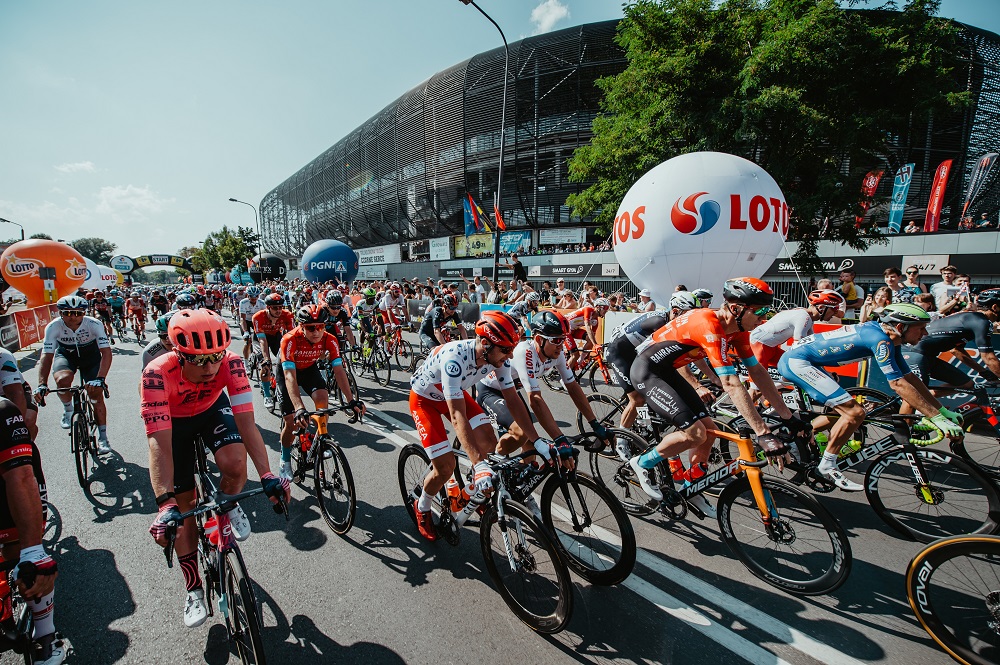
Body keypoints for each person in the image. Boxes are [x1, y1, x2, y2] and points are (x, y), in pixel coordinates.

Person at [142, 309, 291, 627]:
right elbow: (159, 446)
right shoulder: (156, 374)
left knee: (236, 465)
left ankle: (228, 506)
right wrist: (164, 504)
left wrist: (267, 475)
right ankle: (194, 588)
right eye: (198, 359)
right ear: (177, 353)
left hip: (211, 410)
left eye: (215, 356)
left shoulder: (232, 363)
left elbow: (247, 425)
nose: (210, 367)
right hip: (174, 424)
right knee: (184, 508)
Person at [627, 278, 797, 516]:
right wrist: (763, 433)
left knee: (708, 433)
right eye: (760, 311)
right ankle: (643, 463)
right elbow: (730, 383)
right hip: (647, 372)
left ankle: (691, 487)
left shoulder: (737, 331)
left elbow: (757, 371)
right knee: (695, 433)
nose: (764, 318)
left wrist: (788, 417)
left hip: (669, 371)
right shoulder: (709, 323)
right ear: (736, 309)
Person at [779, 303, 963, 490]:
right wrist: (936, 418)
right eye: (921, 328)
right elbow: (898, 385)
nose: (925, 334)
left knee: (850, 411)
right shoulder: (880, 339)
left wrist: (941, 411)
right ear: (900, 327)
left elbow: (909, 378)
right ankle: (826, 465)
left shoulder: (890, 339)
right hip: (798, 363)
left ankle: (800, 437)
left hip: (807, 360)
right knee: (855, 413)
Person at [408, 311, 524, 541]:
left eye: (512, 348)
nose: (510, 355)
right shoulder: (455, 358)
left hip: (454, 394)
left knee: (490, 444)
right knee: (445, 467)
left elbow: (513, 400)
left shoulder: (497, 357)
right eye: (505, 349)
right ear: (485, 344)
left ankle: (470, 494)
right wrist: (478, 464)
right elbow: (456, 413)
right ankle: (422, 506)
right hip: (425, 400)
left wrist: (536, 439)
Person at [0, 396, 63, 664]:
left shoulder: (2, 410)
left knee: (26, 558)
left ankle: (45, 633)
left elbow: (21, 477)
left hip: (8, 486)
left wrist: (32, 550)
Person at [274, 306, 364, 481]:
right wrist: (299, 407)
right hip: (287, 372)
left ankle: (321, 438)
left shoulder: (329, 339)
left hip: (308, 369)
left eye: (320, 327)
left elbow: (339, 371)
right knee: (292, 421)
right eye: (311, 328)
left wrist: (351, 400)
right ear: (301, 326)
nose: (316, 332)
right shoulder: (290, 339)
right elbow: (290, 377)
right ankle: (284, 459)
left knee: (323, 400)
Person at [34, 296, 113, 453]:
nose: (73, 317)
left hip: (91, 358)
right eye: (68, 313)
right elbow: (47, 356)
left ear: (84, 313)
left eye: (78, 313)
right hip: (66, 356)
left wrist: (100, 379)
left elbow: (106, 352)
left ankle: (103, 437)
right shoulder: (53, 327)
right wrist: (42, 383)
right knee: (62, 380)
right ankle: (68, 409)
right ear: (61, 313)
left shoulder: (94, 324)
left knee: (96, 396)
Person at [900, 296, 1000, 404]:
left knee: (965, 384)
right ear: (995, 307)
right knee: (916, 396)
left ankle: (926, 404)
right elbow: (989, 358)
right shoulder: (982, 322)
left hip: (927, 356)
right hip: (914, 353)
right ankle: (909, 414)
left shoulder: (973, 319)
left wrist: (983, 371)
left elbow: (956, 350)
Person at [749, 289, 846, 369]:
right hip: (759, 345)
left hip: (770, 347)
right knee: (756, 391)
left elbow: (812, 345)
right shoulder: (803, 317)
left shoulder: (808, 318)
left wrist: (823, 370)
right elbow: (799, 346)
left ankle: (778, 388)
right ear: (821, 307)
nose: (835, 313)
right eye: (834, 309)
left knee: (790, 368)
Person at [252, 293, 295, 410]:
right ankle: (267, 395)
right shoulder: (258, 316)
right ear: (268, 307)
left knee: (285, 359)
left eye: (281, 307)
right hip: (260, 339)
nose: (279, 310)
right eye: (275, 308)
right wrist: (266, 358)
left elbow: (292, 335)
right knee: (265, 366)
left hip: (276, 336)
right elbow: (262, 340)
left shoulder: (287, 315)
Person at [563, 298, 610, 372]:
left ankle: (580, 361)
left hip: (573, 330)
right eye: (605, 308)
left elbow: (592, 337)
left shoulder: (595, 321)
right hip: (565, 329)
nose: (606, 310)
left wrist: (587, 355)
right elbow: (587, 326)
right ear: (598, 307)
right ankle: (565, 378)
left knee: (590, 339)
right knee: (575, 354)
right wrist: (595, 345)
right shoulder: (588, 310)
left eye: (608, 308)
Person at [237, 287, 265, 365]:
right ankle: (246, 363)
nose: (253, 298)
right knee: (247, 342)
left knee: (260, 340)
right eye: (251, 296)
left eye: (256, 296)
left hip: (256, 321)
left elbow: (264, 318)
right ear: (247, 295)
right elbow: (242, 318)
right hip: (246, 321)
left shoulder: (262, 303)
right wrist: (246, 331)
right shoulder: (243, 302)